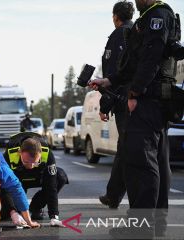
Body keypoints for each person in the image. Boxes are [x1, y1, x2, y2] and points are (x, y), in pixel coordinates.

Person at [90, 0, 180, 237]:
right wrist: (109, 81)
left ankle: (141, 228)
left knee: (140, 163)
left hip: (146, 101)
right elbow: (135, 63)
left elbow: (152, 56)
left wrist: (134, 91)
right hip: (152, 101)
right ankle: (155, 225)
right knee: (156, 162)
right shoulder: (150, 16)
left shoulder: (157, 15)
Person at [98, 0, 135, 209]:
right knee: (124, 149)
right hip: (136, 99)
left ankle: (122, 198)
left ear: (115, 17)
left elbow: (114, 74)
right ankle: (113, 195)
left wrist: (105, 105)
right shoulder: (137, 32)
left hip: (123, 101)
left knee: (128, 150)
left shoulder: (119, 35)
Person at [0, 132, 68, 224]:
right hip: (17, 179)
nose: (31, 166)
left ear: (40, 154)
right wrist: (13, 212)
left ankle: (36, 207)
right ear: (20, 153)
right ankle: (16, 210)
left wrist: (54, 216)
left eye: (35, 162)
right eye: (26, 162)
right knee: (6, 214)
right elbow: (4, 186)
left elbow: (51, 187)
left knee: (60, 176)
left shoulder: (47, 154)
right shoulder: (9, 155)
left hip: (38, 177)